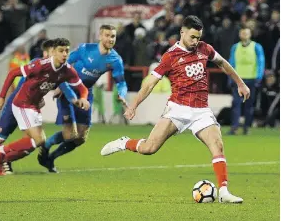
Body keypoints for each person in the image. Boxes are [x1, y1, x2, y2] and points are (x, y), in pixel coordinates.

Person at [101, 16, 250, 203]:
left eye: (198, 37)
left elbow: (223, 63)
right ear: (182, 32)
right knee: (149, 148)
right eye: (193, 37)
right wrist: (134, 105)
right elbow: (150, 84)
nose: (196, 41)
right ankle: (125, 143)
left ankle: (224, 192)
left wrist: (240, 83)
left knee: (217, 145)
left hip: (201, 110)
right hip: (177, 109)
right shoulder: (170, 56)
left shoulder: (205, 48)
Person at [0, 38, 90, 175]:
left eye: (67, 51)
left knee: (37, 142)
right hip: (22, 104)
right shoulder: (41, 65)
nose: (65, 54)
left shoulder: (67, 70)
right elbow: (13, 73)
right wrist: (1, 96)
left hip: (34, 107)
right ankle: (1, 152)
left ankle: (4, 158)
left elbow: (83, 88)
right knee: (38, 139)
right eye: (61, 51)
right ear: (53, 52)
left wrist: (83, 98)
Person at [38, 24, 128, 172]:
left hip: (86, 94)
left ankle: (50, 158)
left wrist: (122, 94)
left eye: (113, 36)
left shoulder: (115, 59)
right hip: (68, 91)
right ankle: (46, 146)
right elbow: (62, 63)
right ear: (100, 36)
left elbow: (121, 82)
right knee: (70, 134)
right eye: (107, 35)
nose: (110, 39)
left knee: (80, 138)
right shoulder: (85, 49)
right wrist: (60, 84)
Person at [0, 39, 56, 174]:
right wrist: (2, 96)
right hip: (16, 103)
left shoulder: (55, 70)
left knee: (32, 141)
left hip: (29, 107)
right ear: (46, 53)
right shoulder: (36, 63)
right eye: (53, 52)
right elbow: (17, 76)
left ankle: (5, 160)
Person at [228, 26, 265, 135]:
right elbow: (231, 63)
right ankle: (234, 127)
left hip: (251, 80)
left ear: (250, 35)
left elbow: (261, 62)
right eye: (243, 33)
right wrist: (231, 78)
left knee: (249, 105)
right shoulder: (235, 47)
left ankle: (246, 127)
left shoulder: (256, 47)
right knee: (236, 104)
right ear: (240, 34)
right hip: (239, 80)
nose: (244, 35)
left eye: (246, 33)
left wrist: (259, 77)